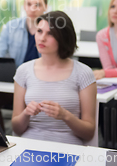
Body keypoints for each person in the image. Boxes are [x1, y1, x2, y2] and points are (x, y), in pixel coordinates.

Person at [11, 11, 97, 145]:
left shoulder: (83, 73)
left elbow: (89, 133)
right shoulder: (23, 71)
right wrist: (26, 113)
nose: (42, 38)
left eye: (50, 33)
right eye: (39, 31)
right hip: (28, 146)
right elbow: (16, 129)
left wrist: (65, 116)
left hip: (68, 147)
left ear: (63, 38)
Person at [0, 0, 48, 67]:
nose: (32, 9)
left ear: (46, 7)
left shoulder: (52, 30)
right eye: (29, 4)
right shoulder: (10, 27)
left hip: (43, 76)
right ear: (24, 6)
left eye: (37, 5)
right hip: (16, 76)